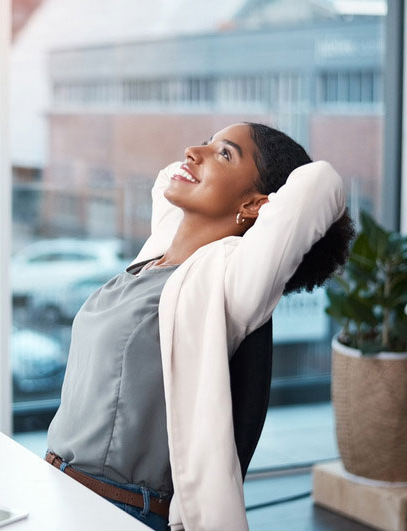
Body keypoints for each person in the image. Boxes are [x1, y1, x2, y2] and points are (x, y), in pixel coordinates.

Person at [45, 122, 354, 531]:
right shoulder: (154, 258)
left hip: (116, 511)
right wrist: (210, 160)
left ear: (256, 204)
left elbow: (321, 182)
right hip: (55, 485)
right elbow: (166, 178)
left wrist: (254, 204)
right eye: (206, 144)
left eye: (224, 154)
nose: (193, 151)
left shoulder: (229, 284)